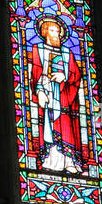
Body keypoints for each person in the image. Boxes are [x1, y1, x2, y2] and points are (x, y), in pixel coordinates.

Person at [30, 16, 83, 174]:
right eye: (53, 31)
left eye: (58, 32)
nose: (57, 35)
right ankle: (51, 160)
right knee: (48, 125)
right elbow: (35, 75)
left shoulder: (67, 53)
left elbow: (77, 75)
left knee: (65, 125)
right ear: (45, 32)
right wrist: (39, 91)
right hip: (47, 93)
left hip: (64, 95)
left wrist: (64, 77)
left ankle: (68, 161)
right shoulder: (38, 50)